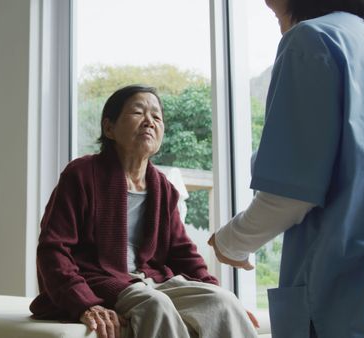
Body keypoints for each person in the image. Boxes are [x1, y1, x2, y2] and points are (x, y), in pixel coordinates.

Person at [208, 0, 364, 337]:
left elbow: (288, 197)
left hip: (363, 307)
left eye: (275, 15)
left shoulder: (312, 40)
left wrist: (231, 242)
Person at [30, 85, 258, 338]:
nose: (149, 121)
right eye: (138, 112)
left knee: (222, 302)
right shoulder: (81, 174)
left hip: (151, 281)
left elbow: (183, 253)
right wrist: (84, 302)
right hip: (98, 280)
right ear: (109, 128)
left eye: (157, 117)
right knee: (154, 304)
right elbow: (53, 249)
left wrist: (221, 295)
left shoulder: (163, 188)